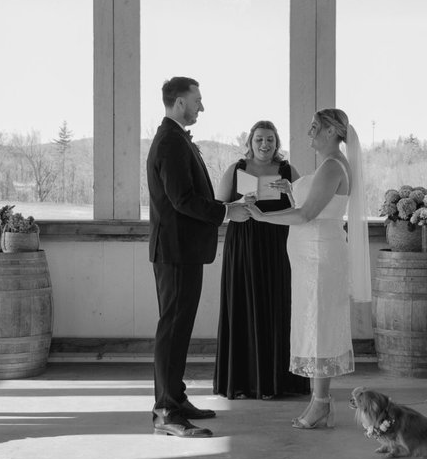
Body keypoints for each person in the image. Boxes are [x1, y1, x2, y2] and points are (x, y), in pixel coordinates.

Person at [247, 108, 371, 430]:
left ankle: (321, 403)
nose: (309, 132)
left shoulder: (332, 166)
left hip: (319, 258)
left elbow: (305, 215)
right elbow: (312, 206)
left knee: (319, 326)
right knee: (314, 324)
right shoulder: (329, 165)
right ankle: (320, 402)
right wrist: (291, 190)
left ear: (331, 131)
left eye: (315, 126)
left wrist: (262, 216)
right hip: (310, 258)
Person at [146, 77, 250, 438]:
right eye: (197, 101)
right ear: (179, 103)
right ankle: (165, 412)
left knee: (179, 328)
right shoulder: (170, 142)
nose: (201, 107)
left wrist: (226, 207)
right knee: (172, 330)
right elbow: (182, 200)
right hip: (175, 250)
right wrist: (226, 212)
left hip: (182, 249)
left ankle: (175, 398)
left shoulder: (175, 138)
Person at [212, 121, 310, 400]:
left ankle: (278, 382)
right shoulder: (235, 169)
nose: (264, 144)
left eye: (269, 139)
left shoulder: (288, 171)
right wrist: (238, 204)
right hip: (243, 245)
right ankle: (244, 383)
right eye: (259, 139)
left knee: (277, 306)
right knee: (243, 305)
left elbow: (305, 209)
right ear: (250, 142)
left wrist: (290, 190)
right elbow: (217, 208)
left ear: (276, 143)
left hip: (279, 246)